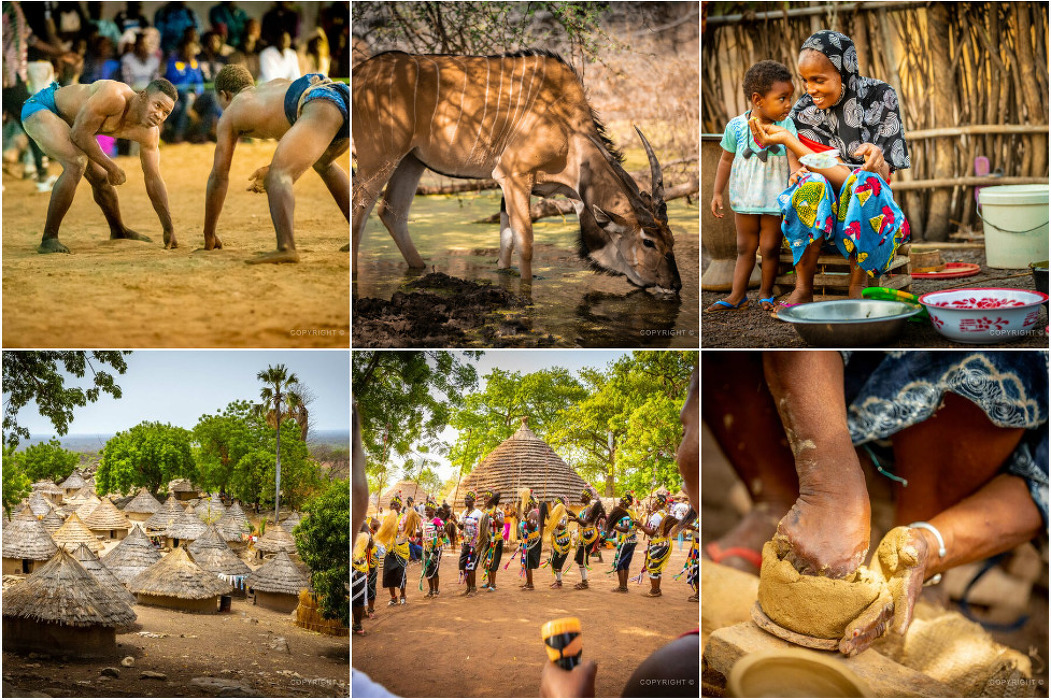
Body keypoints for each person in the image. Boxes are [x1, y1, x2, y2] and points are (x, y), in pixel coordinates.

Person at [703, 351, 1046, 656]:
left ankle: (910, 557)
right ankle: (775, 506)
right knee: (726, 344)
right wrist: (828, 490)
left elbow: (1042, 487)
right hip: (812, 431)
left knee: (1000, 355)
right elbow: (800, 336)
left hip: (936, 469)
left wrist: (927, 543)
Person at [540, 369, 699, 697]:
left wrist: (631, 524)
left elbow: (646, 530)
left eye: (655, 498)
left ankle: (650, 589)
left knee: (648, 568)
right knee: (620, 564)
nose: (653, 500)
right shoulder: (645, 513)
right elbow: (635, 527)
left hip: (652, 545)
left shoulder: (663, 514)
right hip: (637, 541)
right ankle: (625, 584)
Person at [749, 30, 911, 306]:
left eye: (818, 80)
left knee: (865, 184)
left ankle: (857, 284)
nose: (810, 89)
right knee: (812, 186)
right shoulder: (803, 112)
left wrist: (878, 161)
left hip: (869, 213)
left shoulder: (881, 97)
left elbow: (875, 179)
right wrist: (795, 161)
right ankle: (803, 287)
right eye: (805, 80)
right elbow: (819, 170)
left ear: (843, 72)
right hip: (821, 214)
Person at [203, 63, 349, 263]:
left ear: (225, 95)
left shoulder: (232, 111)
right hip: (339, 98)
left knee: (278, 176)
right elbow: (302, 148)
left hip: (318, 103)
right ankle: (356, 232)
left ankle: (286, 247)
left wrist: (208, 233)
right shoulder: (270, 88)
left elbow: (218, 177)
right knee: (324, 164)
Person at [21, 77, 177, 253]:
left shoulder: (149, 133)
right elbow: (79, 134)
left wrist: (168, 227)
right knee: (76, 163)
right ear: (142, 96)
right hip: (43, 108)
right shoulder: (115, 96)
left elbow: (154, 179)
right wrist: (112, 167)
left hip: (74, 125)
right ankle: (49, 238)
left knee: (101, 178)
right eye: (157, 106)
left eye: (166, 113)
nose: (159, 115)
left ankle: (118, 230)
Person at [708, 60, 800, 313]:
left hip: (774, 199)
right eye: (782, 98)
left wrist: (795, 172)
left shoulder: (786, 125)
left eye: (789, 98)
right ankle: (737, 295)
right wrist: (717, 192)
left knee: (770, 248)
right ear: (758, 99)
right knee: (744, 247)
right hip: (745, 198)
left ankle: (765, 293)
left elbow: (793, 153)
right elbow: (725, 159)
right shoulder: (736, 127)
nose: (788, 104)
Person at [3, 1, 71, 193]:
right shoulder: (8, 7)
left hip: (12, 77)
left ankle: (39, 172)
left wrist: (61, 53)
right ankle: (41, 176)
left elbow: (30, 38)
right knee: (32, 120)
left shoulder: (12, 8)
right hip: (10, 78)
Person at [375, 492, 418, 607]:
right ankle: (393, 598)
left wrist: (408, 528)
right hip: (389, 551)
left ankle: (403, 596)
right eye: (392, 505)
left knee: (401, 575)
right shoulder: (385, 519)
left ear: (399, 507)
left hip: (401, 551)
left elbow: (410, 533)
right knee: (389, 574)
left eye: (395, 505)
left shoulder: (404, 518)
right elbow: (382, 534)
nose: (393, 507)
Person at [162, 35, 203, 143]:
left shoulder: (195, 63)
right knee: (186, 98)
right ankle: (178, 134)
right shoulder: (173, 61)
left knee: (211, 98)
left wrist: (198, 92)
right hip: (175, 94)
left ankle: (201, 135)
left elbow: (199, 82)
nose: (190, 52)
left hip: (191, 94)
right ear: (182, 49)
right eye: (188, 49)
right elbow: (174, 82)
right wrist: (188, 68)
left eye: (192, 49)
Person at [636, 493, 674, 597]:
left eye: (653, 503)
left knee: (652, 567)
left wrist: (640, 526)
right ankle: (657, 589)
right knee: (657, 568)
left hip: (658, 544)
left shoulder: (657, 516)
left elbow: (651, 532)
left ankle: (654, 590)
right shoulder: (665, 514)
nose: (652, 504)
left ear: (657, 504)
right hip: (666, 544)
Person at [570, 486, 604, 590]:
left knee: (582, 558)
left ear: (587, 497)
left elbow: (585, 523)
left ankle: (585, 583)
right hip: (584, 535)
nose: (580, 497)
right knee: (580, 558)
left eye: (582, 495)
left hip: (588, 536)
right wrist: (573, 518)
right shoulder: (585, 508)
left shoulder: (588, 508)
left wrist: (574, 516)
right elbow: (582, 521)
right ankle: (584, 581)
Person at [606, 492, 638, 593]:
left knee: (619, 563)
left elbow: (625, 529)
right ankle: (624, 586)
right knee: (625, 564)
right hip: (632, 540)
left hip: (626, 541)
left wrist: (613, 526)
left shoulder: (625, 514)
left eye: (620, 501)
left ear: (624, 503)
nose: (619, 503)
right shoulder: (632, 512)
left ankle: (622, 587)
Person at [456, 491, 483, 596]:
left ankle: (473, 588)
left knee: (471, 566)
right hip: (466, 543)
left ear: (473, 501)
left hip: (475, 544)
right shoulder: (464, 513)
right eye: (465, 499)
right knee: (462, 565)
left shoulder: (478, 513)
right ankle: (468, 587)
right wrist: (456, 521)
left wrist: (480, 542)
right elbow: (462, 527)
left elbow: (484, 527)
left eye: (468, 499)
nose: (466, 501)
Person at [478, 489, 505, 591]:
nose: (485, 500)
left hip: (496, 540)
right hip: (486, 540)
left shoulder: (498, 511)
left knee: (493, 562)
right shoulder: (483, 512)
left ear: (492, 500)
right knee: (486, 562)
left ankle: (493, 584)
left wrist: (496, 519)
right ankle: (489, 582)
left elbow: (501, 524)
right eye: (484, 498)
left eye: (487, 498)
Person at [544, 496, 572, 589]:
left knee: (557, 562)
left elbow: (561, 526)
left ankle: (559, 583)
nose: (554, 505)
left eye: (555, 504)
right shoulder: (557, 515)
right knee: (554, 561)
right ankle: (557, 581)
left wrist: (552, 524)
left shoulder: (563, 515)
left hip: (562, 542)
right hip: (557, 541)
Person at [517, 488, 542, 590]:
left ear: (529, 503)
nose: (524, 505)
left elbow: (532, 526)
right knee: (525, 562)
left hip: (533, 541)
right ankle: (528, 583)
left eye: (526, 503)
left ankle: (530, 584)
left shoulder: (533, 513)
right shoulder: (527, 514)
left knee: (528, 563)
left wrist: (527, 517)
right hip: (527, 541)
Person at [420, 499, 444, 598]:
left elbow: (443, 533)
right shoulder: (424, 521)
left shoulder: (438, 521)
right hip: (426, 548)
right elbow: (421, 533)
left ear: (434, 511)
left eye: (428, 510)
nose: (426, 512)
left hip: (436, 548)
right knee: (427, 569)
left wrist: (439, 533)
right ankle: (430, 590)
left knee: (435, 569)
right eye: (425, 510)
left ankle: (436, 590)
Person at [351, 521, 370, 635]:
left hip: (358, 567)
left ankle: (357, 624)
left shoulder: (363, 524)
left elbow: (371, 544)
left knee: (358, 599)